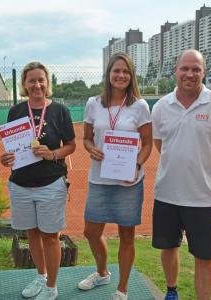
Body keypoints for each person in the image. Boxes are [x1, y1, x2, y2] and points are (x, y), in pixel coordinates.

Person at [151, 49, 211, 300]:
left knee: (204, 256)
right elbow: (161, 144)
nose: (189, 74)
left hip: (203, 198)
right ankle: (172, 291)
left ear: (204, 72)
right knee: (168, 248)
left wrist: (205, 158)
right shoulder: (161, 107)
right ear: (176, 71)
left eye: (196, 69)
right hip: (167, 194)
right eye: (185, 68)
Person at [77, 53, 152, 300]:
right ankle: (102, 273)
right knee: (91, 232)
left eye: (126, 72)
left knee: (126, 235)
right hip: (99, 180)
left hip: (128, 183)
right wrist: (90, 148)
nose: (121, 76)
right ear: (108, 74)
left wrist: (137, 166)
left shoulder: (140, 106)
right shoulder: (93, 103)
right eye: (117, 71)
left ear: (132, 77)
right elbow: (86, 137)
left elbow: (148, 144)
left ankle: (122, 289)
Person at [0, 62, 76, 300]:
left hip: (50, 183)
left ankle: (52, 287)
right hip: (21, 184)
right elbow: (11, 151)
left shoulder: (60, 111)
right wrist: (6, 158)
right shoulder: (16, 111)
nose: (37, 85)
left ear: (47, 83)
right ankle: (40, 276)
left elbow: (71, 146)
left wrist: (53, 154)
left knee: (51, 236)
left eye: (41, 80)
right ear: (24, 84)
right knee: (31, 234)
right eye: (32, 80)